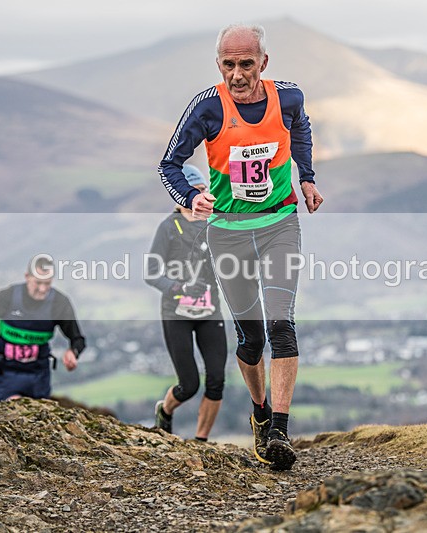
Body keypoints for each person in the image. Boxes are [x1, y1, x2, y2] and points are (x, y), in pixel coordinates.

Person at [157, 23, 324, 470]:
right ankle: (260, 412)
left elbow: (301, 131)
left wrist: (306, 177)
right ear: (219, 65)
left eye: (245, 64)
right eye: (228, 64)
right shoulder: (207, 107)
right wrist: (190, 197)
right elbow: (168, 164)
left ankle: (280, 432)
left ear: (263, 63)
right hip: (227, 232)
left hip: (279, 225)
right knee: (250, 339)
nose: (236, 74)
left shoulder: (288, 96)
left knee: (281, 325)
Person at [145, 164, 228, 441]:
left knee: (216, 379)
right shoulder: (168, 227)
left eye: (205, 190)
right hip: (176, 313)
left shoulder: (214, 224)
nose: (202, 196)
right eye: (195, 191)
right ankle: (165, 411)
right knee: (189, 385)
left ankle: (201, 441)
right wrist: (179, 287)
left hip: (209, 311)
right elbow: (151, 272)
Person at [0, 256, 85, 401]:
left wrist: (73, 352)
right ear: (27, 277)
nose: (42, 289)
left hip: (38, 374)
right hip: (7, 371)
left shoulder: (59, 303)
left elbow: (77, 339)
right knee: (12, 412)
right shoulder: (8, 296)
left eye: (47, 283)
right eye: (38, 283)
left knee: (37, 418)